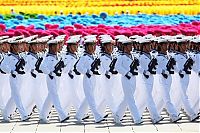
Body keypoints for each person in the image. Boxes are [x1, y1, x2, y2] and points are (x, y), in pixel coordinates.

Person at [75, 37, 106, 123]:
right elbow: (78, 67)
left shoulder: (94, 56)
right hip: (87, 79)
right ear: (87, 47)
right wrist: (87, 71)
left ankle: (79, 115)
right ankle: (97, 116)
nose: (93, 48)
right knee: (91, 98)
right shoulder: (84, 57)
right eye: (91, 46)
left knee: (88, 98)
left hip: (94, 78)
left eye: (94, 46)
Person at [39, 39, 69, 123]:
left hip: (57, 78)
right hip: (51, 79)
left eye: (58, 46)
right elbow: (42, 67)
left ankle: (42, 115)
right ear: (51, 47)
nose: (57, 47)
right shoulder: (48, 57)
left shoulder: (57, 56)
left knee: (50, 97)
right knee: (55, 96)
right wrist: (50, 73)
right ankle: (62, 115)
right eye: (55, 46)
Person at [115, 39, 142, 124]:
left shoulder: (133, 56)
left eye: (131, 45)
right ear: (125, 47)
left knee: (126, 98)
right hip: (126, 79)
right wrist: (126, 73)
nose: (131, 47)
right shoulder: (122, 57)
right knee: (130, 99)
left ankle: (117, 115)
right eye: (129, 45)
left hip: (133, 78)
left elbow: (137, 67)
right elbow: (117, 67)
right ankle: (137, 118)